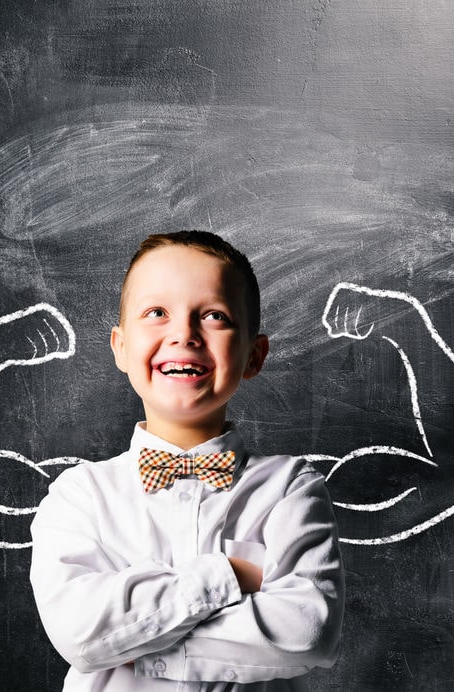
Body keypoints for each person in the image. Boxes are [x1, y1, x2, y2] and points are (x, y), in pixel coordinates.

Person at [29, 230, 345, 691]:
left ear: (254, 355)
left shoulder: (290, 488)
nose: (183, 335)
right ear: (120, 347)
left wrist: (131, 641)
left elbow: (308, 632)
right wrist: (227, 576)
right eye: (157, 313)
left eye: (214, 316)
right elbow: (78, 636)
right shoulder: (78, 496)